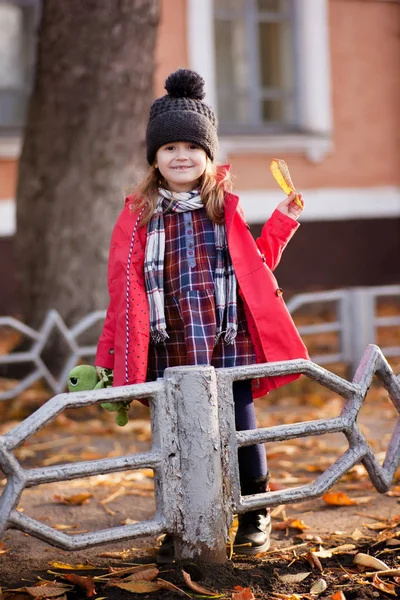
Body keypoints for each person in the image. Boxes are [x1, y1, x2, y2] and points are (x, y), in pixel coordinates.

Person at [95, 68, 309, 560]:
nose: (181, 156)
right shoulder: (137, 218)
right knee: (174, 439)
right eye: (169, 148)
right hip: (166, 346)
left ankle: (255, 510)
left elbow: (255, 268)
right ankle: (181, 521)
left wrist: (282, 222)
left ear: (208, 155)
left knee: (241, 426)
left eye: (192, 147)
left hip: (224, 339)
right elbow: (121, 295)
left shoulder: (222, 210)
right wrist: (109, 359)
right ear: (155, 158)